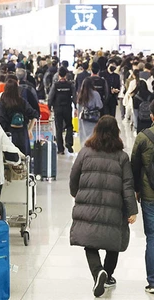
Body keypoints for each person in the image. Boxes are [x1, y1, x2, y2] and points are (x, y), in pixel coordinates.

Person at [70, 116, 138, 298]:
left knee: (88, 241)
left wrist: (76, 193)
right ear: (116, 132)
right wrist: (132, 210)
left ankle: (97, 271)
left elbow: (74, 176)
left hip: (88, 203)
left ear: (96, 130)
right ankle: (107, 275)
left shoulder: (85, 152)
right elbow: (127, 186)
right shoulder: (122, 157)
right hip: (114, 207)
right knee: (113, 241)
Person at [131, 101, 154, 294]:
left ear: (152, 116)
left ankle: (153, 282)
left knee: (152, 237)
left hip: (149, 195)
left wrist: (137, 190)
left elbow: (134, 167)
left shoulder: (143, 138)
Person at [0, 79, 38, 156]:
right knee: (24, 159)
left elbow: (0, 121)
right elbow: (35, 114)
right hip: (22, 135)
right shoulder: (22, 102)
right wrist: (30, 129)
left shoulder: (2, 104)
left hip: (8, 137)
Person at [49, 67, 77, 154]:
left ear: (58, 75)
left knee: (59, 128)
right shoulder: (70, 85)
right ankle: (69, 142)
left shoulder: (55, 85)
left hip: (57, 108)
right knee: (69, 126)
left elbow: (50, 97)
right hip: (67, 108)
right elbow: (74, 97)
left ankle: (60, 149)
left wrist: (49, 108)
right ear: (66, 75)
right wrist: (76, 107)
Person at [77, 77, 104, 145]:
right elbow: (100, 105)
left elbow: (79, 107)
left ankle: (84, 147)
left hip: (84, 118)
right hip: (93, 118)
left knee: (84, 133)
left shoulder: (81, 95)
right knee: (93, 133)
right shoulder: (95, 94)